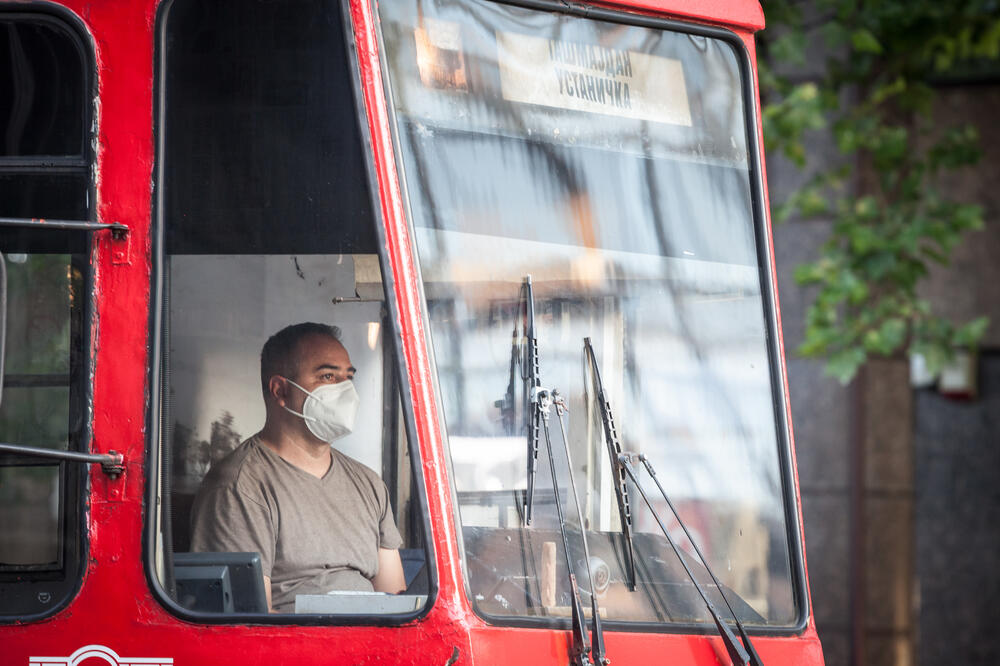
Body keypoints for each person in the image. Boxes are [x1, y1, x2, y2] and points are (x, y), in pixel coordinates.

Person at [190, 322, 406, 612]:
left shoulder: (369, 484)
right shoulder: (239, 487)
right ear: (280, 391)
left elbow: (397, 606)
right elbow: (250, 623)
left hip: (369, 639)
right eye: (328, 376)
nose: (345, 390)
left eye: (348, 378)